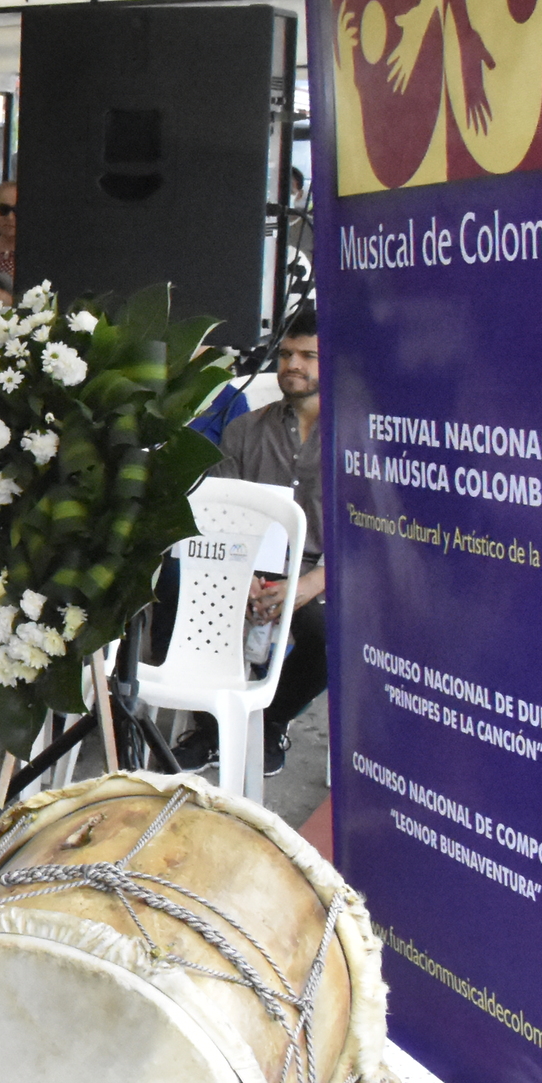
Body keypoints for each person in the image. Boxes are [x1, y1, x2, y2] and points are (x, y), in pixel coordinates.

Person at [214, 308, 327, 762]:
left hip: (318, 573)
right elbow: (220, 518)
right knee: (172, 593)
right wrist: (241, 579)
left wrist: (307, 586)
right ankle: (210, 727)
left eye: (308, 355)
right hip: (247, 565)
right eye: (285, 354)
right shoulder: (244, 429)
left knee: (328, 634)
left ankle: (270, 719)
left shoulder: (360, 436)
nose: (292, 365)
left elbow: (370, 533)